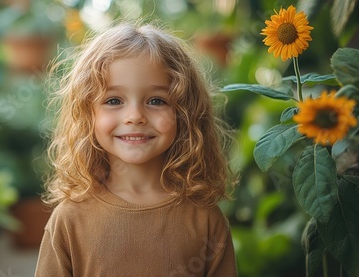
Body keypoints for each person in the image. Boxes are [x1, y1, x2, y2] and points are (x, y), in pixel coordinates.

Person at [35, 22, 237, 277]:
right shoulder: (69, 220)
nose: (135, 116)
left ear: (185, 114)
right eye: (113, 100)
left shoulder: (206, 220)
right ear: (88, 115)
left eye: (156, 100)